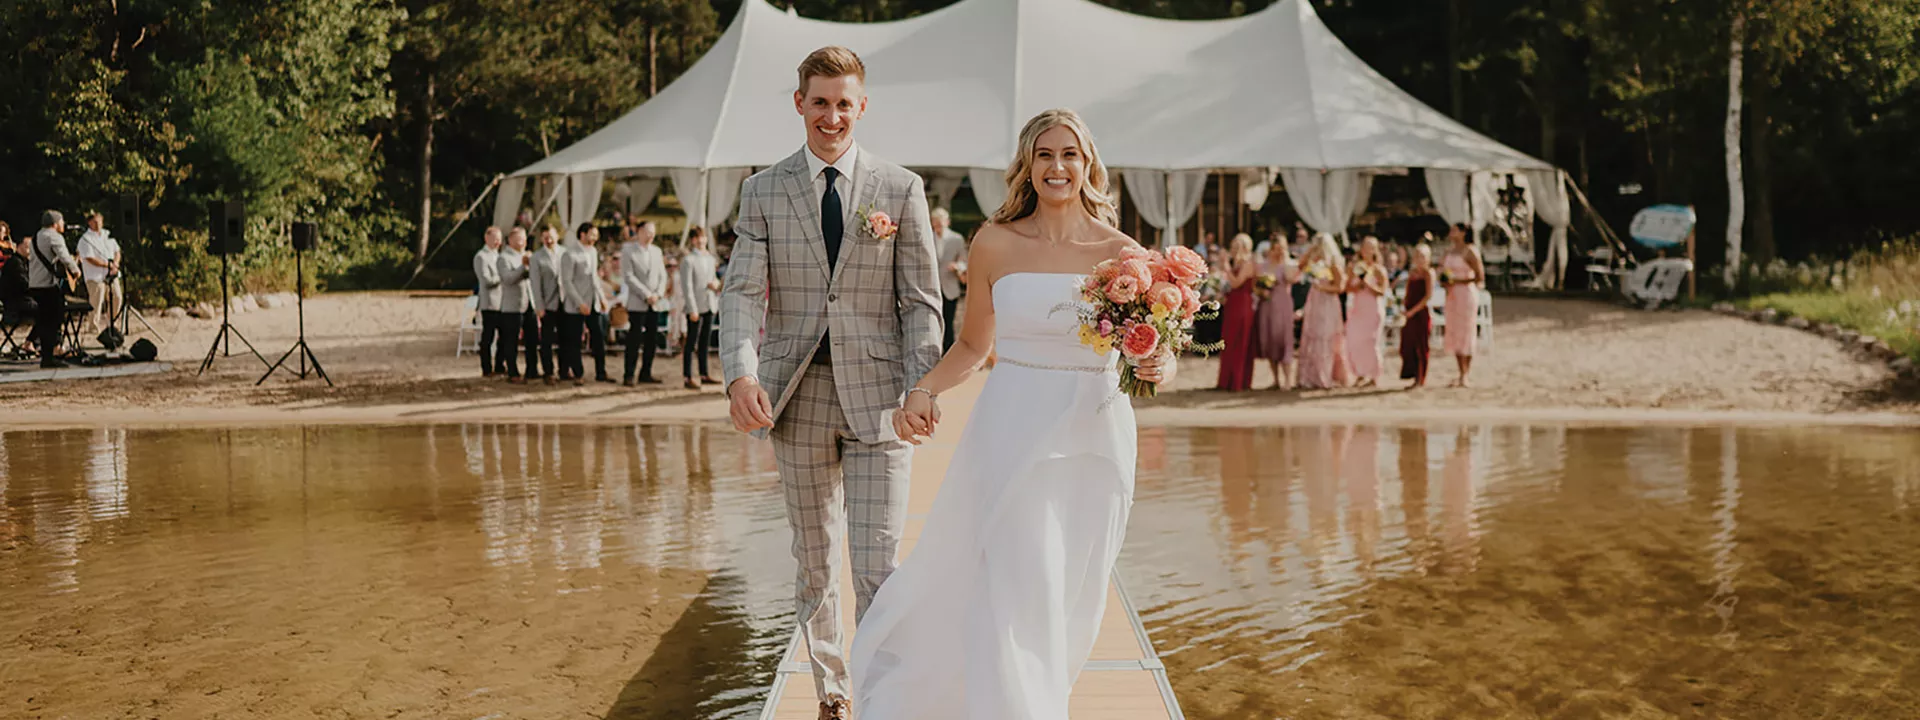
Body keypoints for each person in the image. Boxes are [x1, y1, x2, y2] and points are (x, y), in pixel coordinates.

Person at [849, 107, 1174, 719]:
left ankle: (1040, 697)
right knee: (1024, 580)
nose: (1057, 167)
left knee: (1073, 595)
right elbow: (973, 345)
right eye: (1045, 154)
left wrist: (1161, 368)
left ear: (1087, 164)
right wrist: (923, 391)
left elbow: (1155, 348)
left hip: (1096, 436)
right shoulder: (994, 242)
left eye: (1069, 154)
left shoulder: (1123, 253)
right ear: (1028, 164)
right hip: (1013, 427)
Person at [717, 46, 944, 720]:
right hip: (797, 399)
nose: (832, 115)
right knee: (814, 561)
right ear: (800, 105)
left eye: (844, 103)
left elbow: (922, 303)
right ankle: (833, 695)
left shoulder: (900, 189)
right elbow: (739, 292)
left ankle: (879, 692)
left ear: (862, 107)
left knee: (877, 566)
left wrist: (920, 386)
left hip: (880, 404)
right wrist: (740, 373)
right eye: (820, 101)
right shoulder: (762, 190)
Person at [27, 211, 81, 368]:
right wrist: (76, 270)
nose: (64, 224)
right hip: (48, 285)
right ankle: (50, 357)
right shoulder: (54, 237)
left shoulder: (36, 237)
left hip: (35, 284)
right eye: (62, 221)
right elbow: (64, 256)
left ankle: (47, 356)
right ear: (55, 223)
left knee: (44, 321)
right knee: (54, 320)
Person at [561, 222, 613, 385]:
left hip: (593, 303)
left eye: (596, 236)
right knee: (575, 340)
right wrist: (579, 302)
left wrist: (602, 298)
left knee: (598, 337)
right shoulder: (569, 254)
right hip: (576, 305)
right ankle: (578, 373)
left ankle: (601, 372)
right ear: (582, 234)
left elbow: (594, 277)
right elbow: (567, 282)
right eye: (592, 235)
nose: (595, 239)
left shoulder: (593, 252)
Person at [1296, 233, 1349, 389]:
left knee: (1325, 337)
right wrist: (1309, 253)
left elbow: (1340, 287)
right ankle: (1310, 376)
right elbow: (1300, 266)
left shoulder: (1333, 264)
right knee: (1312, 336)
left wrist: (1323, 287)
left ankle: (1325, 376)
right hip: (1315, 302)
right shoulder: (1314, 263)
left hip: (1328, 303)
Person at [621, 220, 669, 386]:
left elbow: (662, 275)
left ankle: (646, 372)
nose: (651, 235)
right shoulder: (628, 251)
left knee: (651, 340)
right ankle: (628, 374)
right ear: (639, 232)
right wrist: (646, 294)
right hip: (637, 302)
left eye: (653, 232)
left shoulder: (656, 251)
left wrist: (658, 294)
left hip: (654, 303)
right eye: (648, 232)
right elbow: (628, 276)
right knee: (634, 339)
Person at [1441, 222, 1485, 387]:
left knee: (1466, 331)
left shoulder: (1470, 251)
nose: (1451, 233)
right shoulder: (1449, 251)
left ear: (1463, 232)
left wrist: (1458, 280)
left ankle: (1466, 373)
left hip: (1466, 294)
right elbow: (1442, 270)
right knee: (1455, 331)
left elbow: (1479, 277)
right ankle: (1459, 371)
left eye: (1455, 230)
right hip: (1452, 295)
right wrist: (1445, 280)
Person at [679, 226, 722, 389]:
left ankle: (704, 373)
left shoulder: (710, 258)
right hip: (695, 306)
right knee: (691, 343)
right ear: (692, 240)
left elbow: (714, 279)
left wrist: (716, 284)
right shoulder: (688, 260)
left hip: (709, 303)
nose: (701, 241)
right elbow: (687, 286)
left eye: (702, 237)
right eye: (697, 238)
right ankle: (687, 376)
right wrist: (692, 309)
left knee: (704, 342)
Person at [1214, 233, 1258, 391]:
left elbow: (1236, 283)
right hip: (1232, 303)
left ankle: (1237, 381)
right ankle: (1226, 380)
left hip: (1243, 304)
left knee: (1239, 339)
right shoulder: (1236, 263)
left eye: (1236, 247)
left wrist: (1225, 267)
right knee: (1229, 340)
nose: (1233, 250)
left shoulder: (1248, 263)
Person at [1253, 239, 1298, 390]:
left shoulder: (1287, 264)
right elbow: (1256, 286)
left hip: (1283, 304)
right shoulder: (1263, 266)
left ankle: (1288, 379)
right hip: (1267, 305)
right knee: (1269, 340)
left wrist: (1285, 261)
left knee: (1284, 339)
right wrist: (1261, 291)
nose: (1278, 252)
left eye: (1281, 248)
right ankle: (1275, 379)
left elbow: (1291, 279)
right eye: (1275, 248)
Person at [1344, 236, 1389, 387]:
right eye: (1365, 247)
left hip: (1373, 309)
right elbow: (1347, 288)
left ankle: (1374, 375)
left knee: (1371, 342)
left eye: (1371, 248)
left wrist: (1368, 284)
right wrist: (1357, 286)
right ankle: (1360, 373)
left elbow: (1383, 291)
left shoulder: (1379, 270)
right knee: (1355, 342)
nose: (1368, 251)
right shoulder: (1354, 267)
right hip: (1358, 309)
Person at [528, 225, 567, 384]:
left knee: (566, 339)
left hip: (565, 302)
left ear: (557, 236)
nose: (549, 240)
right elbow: (535, 284)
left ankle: (564, 369)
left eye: (551, 236)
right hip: (548, 303)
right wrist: (539, 305)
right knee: (547, 340)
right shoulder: (537, 257)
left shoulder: (565, 253)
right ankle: (548, 371)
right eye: (545, 237)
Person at [496, 227, 535, 383]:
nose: (523, 242)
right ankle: (512, 371)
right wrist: (523, 267)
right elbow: (508, 279)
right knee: (511, 340)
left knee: (532, 339)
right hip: (512, 306)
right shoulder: (504, 258)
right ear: (510, 240)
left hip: (529, 302)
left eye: (524, 239)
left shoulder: (527, 256)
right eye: (519, 239)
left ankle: (532, 369)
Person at [76, 212, 122, 335]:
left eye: (99, 221)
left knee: (117, 297)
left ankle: (112, 324)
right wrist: (107, 264)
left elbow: (117, 251)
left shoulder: (108, 235)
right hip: (95, 276)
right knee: (96, 301)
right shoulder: (85, 239)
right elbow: (90, 258)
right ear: (89, 222)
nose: (97, 224)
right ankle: (93, 327)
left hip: (111, 274)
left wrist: (115, 264)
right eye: (94, 222)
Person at [1399, 242, 1435, 388]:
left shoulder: (1428, 273)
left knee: (1421, 345)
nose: (1420, 259)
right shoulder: (1412, 273)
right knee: (1408, 344)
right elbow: (1408, 292)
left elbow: (1428, 296)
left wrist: (1413, 311)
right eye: (1417, 255)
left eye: (1423, 256)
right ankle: (1413, 375)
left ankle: (1421, 378)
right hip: (1409, 313)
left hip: (1420, 313)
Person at [933, 207, 968, 351]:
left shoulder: (956, 239)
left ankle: (948, 354)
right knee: (934, 323)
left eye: (940, 223)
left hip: (950, 287)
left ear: (947, 222)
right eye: (935, 223)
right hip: (933, 287)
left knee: (948, 322)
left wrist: (957, 266)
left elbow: (964, 261)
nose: (938, 226)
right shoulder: (927, 237)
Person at [473, 227, 505, 376]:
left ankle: (500, 365)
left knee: (504, 335)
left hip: (503, 302)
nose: (498, 241)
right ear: (487, 239)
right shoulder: (481, 257)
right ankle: (486, 367)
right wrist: (504, 277)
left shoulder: (499, 255)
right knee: (488, 336)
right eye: (495, 238)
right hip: (490, 302)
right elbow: (486, 281)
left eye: (499, 238)